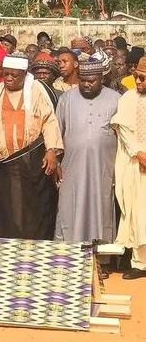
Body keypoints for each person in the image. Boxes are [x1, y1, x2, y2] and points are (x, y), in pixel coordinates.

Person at [0, 55, 63, 240]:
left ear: (24, 74)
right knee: (4, 216)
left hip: (31, 167)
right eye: (5, 74)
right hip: (0, 169)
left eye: (13, 75)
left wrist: (51, 151)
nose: (8, 79)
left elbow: (49, 122)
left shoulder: (38, 91)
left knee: (30, 217)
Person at [55, 60, 120, 245]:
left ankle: (101, 259)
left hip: (104, 168)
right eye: (83, 80)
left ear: (101, 78)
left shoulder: (116, 99)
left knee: (102, 209)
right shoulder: (66, 99)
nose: (86, 84)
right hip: (72, 168)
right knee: (70, 208)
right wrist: (57, 161)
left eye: (92, 80)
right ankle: (69, 255)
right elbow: (57, 134)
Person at [111, 56, 146, 279]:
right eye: (136, 77)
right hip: (136, 163)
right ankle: (140, 264)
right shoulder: (128, 98)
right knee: (137, 212)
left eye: (142, 78)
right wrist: (139, 153)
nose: (138, 82)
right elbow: (123, 130)